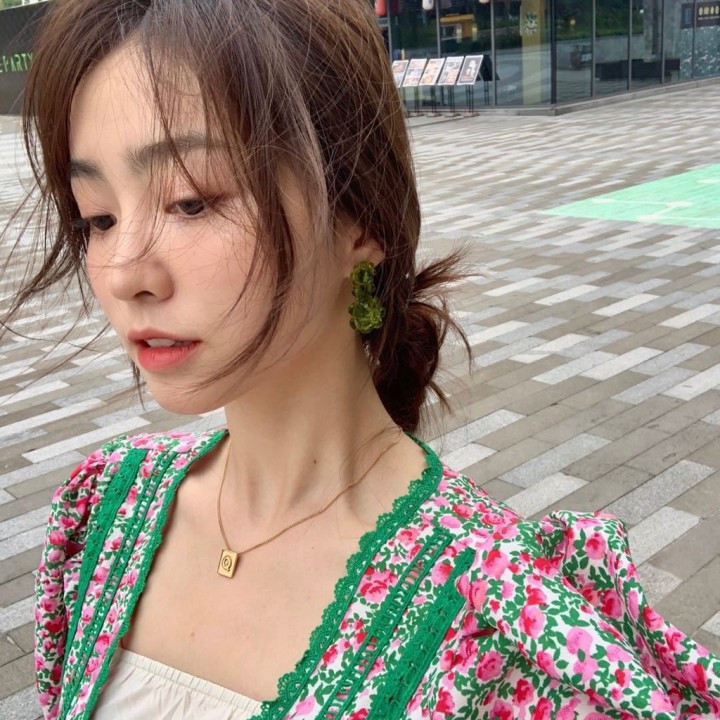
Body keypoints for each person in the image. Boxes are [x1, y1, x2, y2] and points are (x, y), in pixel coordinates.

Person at [2, 1, 718, 719]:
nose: (125, 272)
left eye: (191, 201)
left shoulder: (503, 629)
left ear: (360, 220)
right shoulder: (104, 513)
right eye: (98, 216)